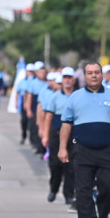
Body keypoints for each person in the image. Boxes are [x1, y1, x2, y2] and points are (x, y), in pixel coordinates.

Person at [57, 61, 110, 218]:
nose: (94, 75)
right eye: (90, 73)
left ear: (102, 75)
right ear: (84, 76)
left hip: (106, 149)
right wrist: (62, 148)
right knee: (83, 189)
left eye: (97, 72)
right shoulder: (75, 96)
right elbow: (66, 124)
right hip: (82, 149)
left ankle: (103, 212)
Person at [42, 68, 75, 204]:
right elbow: (48, 116)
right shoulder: (55, 96)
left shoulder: (78, 95)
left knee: (71, 166)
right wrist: (45, 135)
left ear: (73, 79)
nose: (67, 80)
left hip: (73, 136)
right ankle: (53, 189)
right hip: (56, 135)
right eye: (65, 77)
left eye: (69, 77)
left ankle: (68, 194)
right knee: (55, 165)